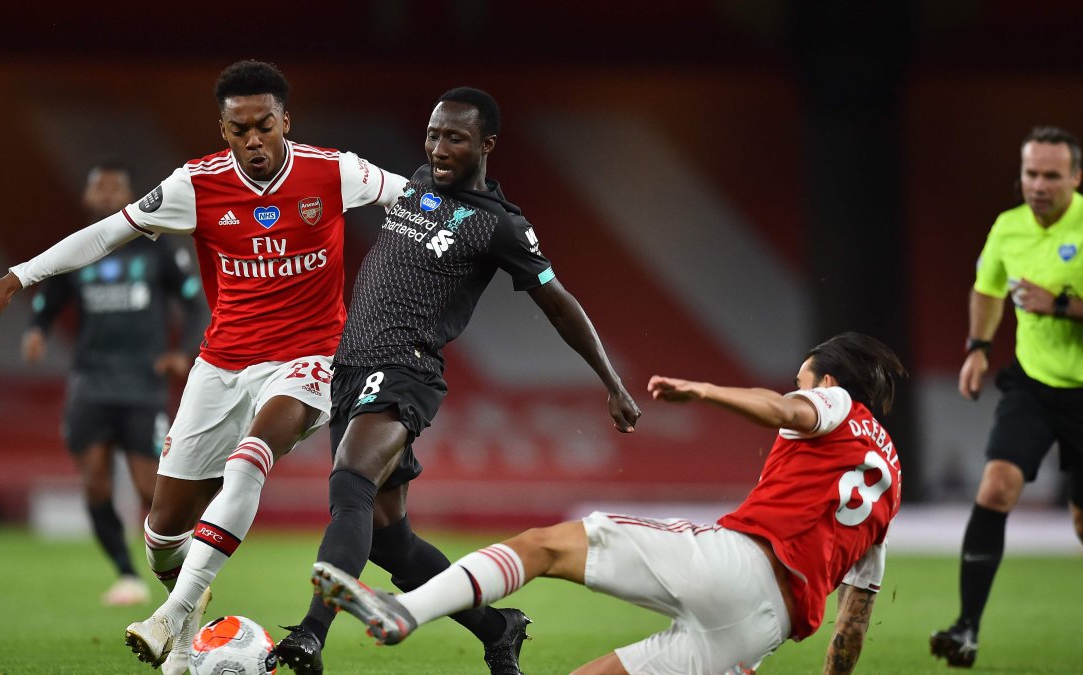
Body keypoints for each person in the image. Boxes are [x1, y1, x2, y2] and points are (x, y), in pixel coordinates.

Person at [0, 60, 407, 675]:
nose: (252, 141)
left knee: (251, 457)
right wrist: (19, 277)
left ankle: (171, 616)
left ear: (286, 120)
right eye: (238, 130)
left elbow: (421, 199)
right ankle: (187, 614)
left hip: (310, 359)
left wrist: (485, 226)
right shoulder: (195, 185)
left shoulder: (334, 171)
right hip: (222, 365)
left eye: (264, 126)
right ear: (223, 129)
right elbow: (104, 235)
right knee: (162, 533)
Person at [271, 87, 642, 675]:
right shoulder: (417, 180)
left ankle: (312, 634)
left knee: (350, 483)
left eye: (455, 138)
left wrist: (611, 381)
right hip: (350, 367)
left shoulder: (500, 226)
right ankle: (499, 628)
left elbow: (559, 303)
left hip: (404, 370)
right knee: (394, 544)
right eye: (434, 134)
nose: (439, 148)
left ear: (486, 145)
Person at [314, 331, 906, 675]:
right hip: (759, 635)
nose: (798, 387)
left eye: (803, 378)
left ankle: (405, 612)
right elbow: (851, 627)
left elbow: (784, 411)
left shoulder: (836, 406)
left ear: (829, 382)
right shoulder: (892, 484)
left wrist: (705, 391)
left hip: (736, 565)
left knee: (544, 546)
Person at [931, 126, 1083, 669]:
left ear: (1075, 177)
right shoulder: (1008, 227)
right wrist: (977, 348)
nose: (1037, 185)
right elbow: (988, 288)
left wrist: (1060, 306)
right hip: (1035, 384)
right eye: (1030, 174)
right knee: (995, 487)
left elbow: (1042, 302)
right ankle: (966, 627)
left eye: (1049, 175)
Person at [22, 160, 206, 607]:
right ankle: (127, 575)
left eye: (115, 187)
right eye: (98, 187)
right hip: (90, 381)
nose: (106, 195)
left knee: (152, 491)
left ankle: (187, 574)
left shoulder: (157, 248)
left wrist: (183, 352)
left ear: (129, 194)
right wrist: (38, 329)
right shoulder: (78, 251)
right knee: (96, 485)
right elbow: (49, 296)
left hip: (143, 382)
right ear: (87, 197)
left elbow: (195, 303)